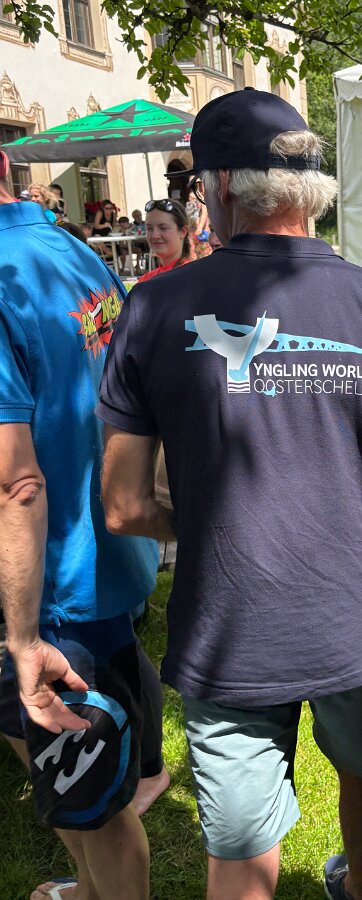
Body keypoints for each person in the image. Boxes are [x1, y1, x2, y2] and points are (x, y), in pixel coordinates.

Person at [96, 88, 362, 900]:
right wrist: (355, 496)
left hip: (229, 624)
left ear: (222, 185)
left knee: (240, 849)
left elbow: (122, 506)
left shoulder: (153, 306)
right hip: (353, 617)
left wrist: (204, 515)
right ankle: (357, 887)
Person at [0, 149, 160, 900]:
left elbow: (17, 484)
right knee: (64, 767)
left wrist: (22, 635)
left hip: (53, 587)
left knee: (94, 795)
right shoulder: (70, 250)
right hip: (103, 560)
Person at [139, 198, 193, 282]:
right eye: (149, 228)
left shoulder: (193, 276)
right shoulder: (145, 280)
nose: (155, 235)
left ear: (183, 231)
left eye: (163, 228)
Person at [186, 185, 212, 259]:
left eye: (194, 199)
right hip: (193, 230)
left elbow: (204, 213)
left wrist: (200, 227)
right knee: (194, 252)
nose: (192, 200)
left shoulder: (202, 198)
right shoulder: (191, 203)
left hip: (201, 231)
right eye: (190, 198)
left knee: (204, 251)